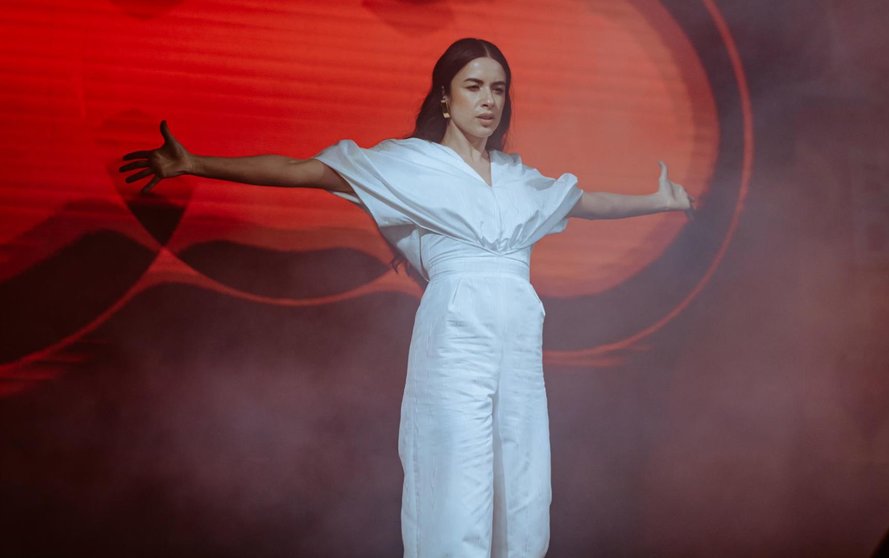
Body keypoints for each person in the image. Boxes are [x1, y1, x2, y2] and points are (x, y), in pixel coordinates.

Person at [119, 37, 692, 558]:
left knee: (522, 485)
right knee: (457, 481)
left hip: (518, 347)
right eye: (473, 87)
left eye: (498, 89)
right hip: (456, 340)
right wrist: (196, 163)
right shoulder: (408, 166)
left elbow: (584, 202)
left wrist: (656, 201)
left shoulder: (519, 179)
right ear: (445, 98)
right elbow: (302, 171)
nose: (488, 100)